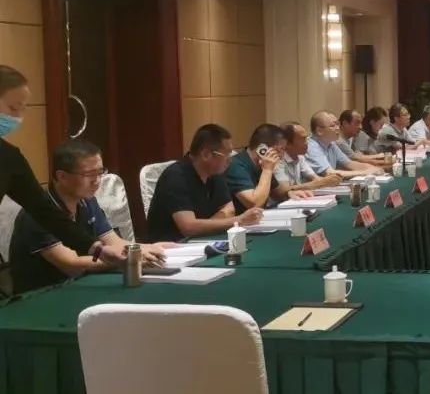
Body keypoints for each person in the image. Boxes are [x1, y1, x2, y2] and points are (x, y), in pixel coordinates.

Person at [0, 65, 125, 264]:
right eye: (13, 108)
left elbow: (46, 212)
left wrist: (96, 249)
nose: (17, 118)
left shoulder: (8, 157)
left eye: (22, 110)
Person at [9, 140, 169, 294]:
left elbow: (114, 242)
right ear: (62, 176)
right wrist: (128, 259)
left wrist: (149, 248)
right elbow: (72, 265)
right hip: (42, 295)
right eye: (89, 174)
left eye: (100, 172)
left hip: (79, 286)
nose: (97, 181)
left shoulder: (87, 201)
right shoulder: (37, 214)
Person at [146, 124, 263, 242]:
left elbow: (229, 210)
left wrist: (202, 227)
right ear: (206, 154)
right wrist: (239, 220)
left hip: (200, 240)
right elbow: (188, 227)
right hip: (170, 246)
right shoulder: (176, 176)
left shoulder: (214, 172)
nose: (230, 160)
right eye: (226, 154)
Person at [226, 124, 313, 212]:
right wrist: (267, 170)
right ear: (262, 149)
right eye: (281, 149)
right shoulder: (235, 166)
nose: (282, 156)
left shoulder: (262, 165)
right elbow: (254, 204)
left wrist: (289, 193)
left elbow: (277, 192)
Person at [306, 111, 384, 178]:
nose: (337, 128)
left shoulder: (331, 144)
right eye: (332, 126)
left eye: (337, 124)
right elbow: (330, 173)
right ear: (319, 131)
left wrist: (374, 168)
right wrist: (365, 172)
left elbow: (350, 163)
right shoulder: (311, 147)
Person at [274, 122, 343, 191]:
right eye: (303, 139)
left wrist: (331, 180)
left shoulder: (300, 157)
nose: (307, 143)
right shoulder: (278, 159)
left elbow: (316, 179)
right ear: (288, 144)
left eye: (307, 138)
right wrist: (320, 183)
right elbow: (283, 190)